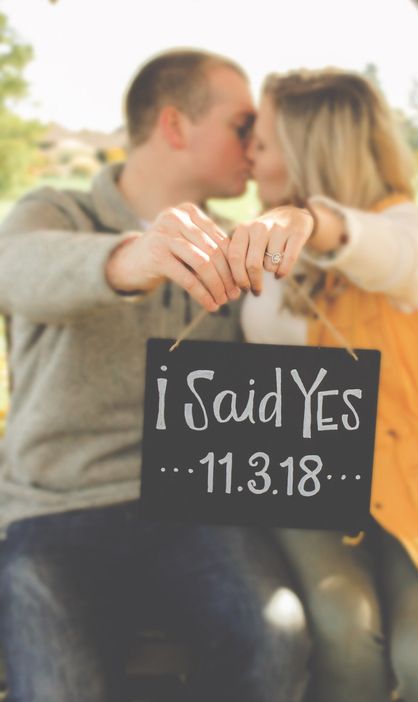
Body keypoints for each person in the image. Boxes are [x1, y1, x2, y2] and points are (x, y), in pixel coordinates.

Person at [0, 50, 309, 702]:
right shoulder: (55, 212)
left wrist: (301, 222)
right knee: (55, 688)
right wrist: (130, 259)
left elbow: (294, 352)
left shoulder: (239, 244)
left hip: (193, 510)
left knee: (276, 640)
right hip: (55, 511)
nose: (256, 144)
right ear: (174, 126)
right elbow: (18, 271)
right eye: (240, 124)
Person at [225, 68, 418, 701]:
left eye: (264, 139)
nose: (250, 154)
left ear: (312, 148)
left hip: (407, 481)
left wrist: (325, 228)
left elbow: (401, 261)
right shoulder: (258, 248)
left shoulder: (404, 226)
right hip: (297, 478)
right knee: (347, 634)